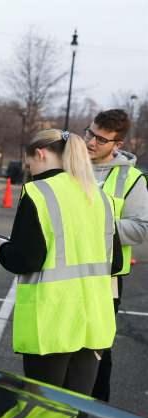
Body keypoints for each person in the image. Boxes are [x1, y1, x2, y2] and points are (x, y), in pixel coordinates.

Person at [0, 129, 122, 396]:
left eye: (30, 163)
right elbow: (116, 261)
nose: (30, 170)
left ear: (40, 153)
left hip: (53, 323)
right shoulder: (101, 197)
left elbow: (26, 259)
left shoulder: (38, 192)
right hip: (94, 321)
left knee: (44, 414)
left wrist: (0, 249)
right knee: (74, 411)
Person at [84, 109, 148, 402]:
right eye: (89, 133)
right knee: (61, 351)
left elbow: (141, 228)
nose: (91, 142)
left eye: (101, 139)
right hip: (62, 275)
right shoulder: (71, 166)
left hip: (105, 281)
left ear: (117, 145)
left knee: (97, 352)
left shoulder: (132, 179)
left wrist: (96, 227)